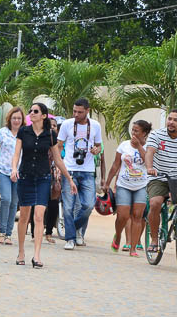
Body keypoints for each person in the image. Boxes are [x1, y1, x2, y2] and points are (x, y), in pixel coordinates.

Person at [12, 103, 76, 268]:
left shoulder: (51, 135)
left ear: (44, 116)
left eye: (35, 111)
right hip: (25, 176)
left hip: (43, 178)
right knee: (24, 217)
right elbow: (17, 153)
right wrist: (13, 169)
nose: (31, 113)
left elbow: (57, 158)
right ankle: (21, 252)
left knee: (39, 216)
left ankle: (37, 255)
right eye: (31, 111)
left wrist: (69, 179)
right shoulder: (23, 131)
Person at [56, 98, 103, 250]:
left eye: (80, 112)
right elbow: (59, 146)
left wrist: (96, 150)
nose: (76, 114)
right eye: (74, 111)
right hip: (69, 169)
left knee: (88, 205)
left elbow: (98, 146)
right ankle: (70, 238)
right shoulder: (67, 124)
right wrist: (58, 166)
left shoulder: (95, 125)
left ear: (87, 111)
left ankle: (73, 228)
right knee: (68, 207)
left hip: (88, 171)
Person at [104, 119, 152, 257]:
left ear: (144, 133)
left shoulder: (149, 146)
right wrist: (107, 182)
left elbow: (148, 161)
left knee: (137, 216)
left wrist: (139, 147)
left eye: (137, 131)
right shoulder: (124, 145)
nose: (133, 133)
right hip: (123, 185)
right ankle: (118, 236)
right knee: (122, 216)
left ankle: (133, 248)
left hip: (141, 186)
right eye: (133, 130)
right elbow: (115, 165)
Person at [0, 107, 26, 245]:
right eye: (14, 118)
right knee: (6, 199)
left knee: (14, 203)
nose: (16, 121)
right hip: (3, 171)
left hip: (20, 173)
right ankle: (2, 231)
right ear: (9, 119)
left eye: (19, 118)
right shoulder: (2, 133)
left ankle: (9, 234)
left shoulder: (25, 134)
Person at [145, 110, 177, 253]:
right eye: (169, 119)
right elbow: (150, 152)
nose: (171, 122)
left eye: (175, 120)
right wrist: (150, 167)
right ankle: (154, 239)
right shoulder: (157, 135)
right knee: (155, 203)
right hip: (159, 177)